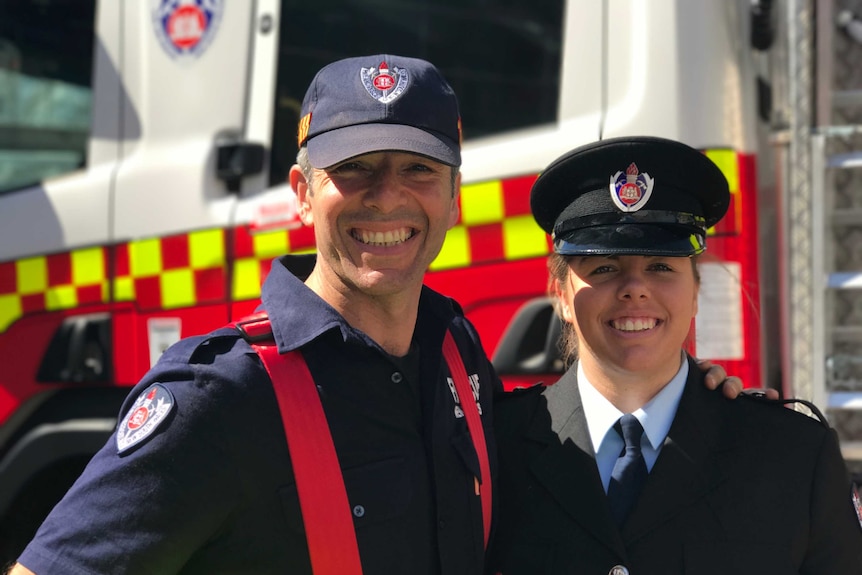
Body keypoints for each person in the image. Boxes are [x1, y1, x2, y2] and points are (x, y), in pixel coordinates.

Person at [9, 58, 744, 575]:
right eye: (353, 167)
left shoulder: (455, 352)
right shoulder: (221, 400)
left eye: (418, 169)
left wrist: (683, 399)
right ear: (301, 191)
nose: (387, 196)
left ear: (454, 196)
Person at [487, 136, 862, 574]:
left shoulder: (794, 455)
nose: (635, 288)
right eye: (604, 267)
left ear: (697, 293)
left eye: (661, 266)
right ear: (562, 296)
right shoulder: (494, 450)